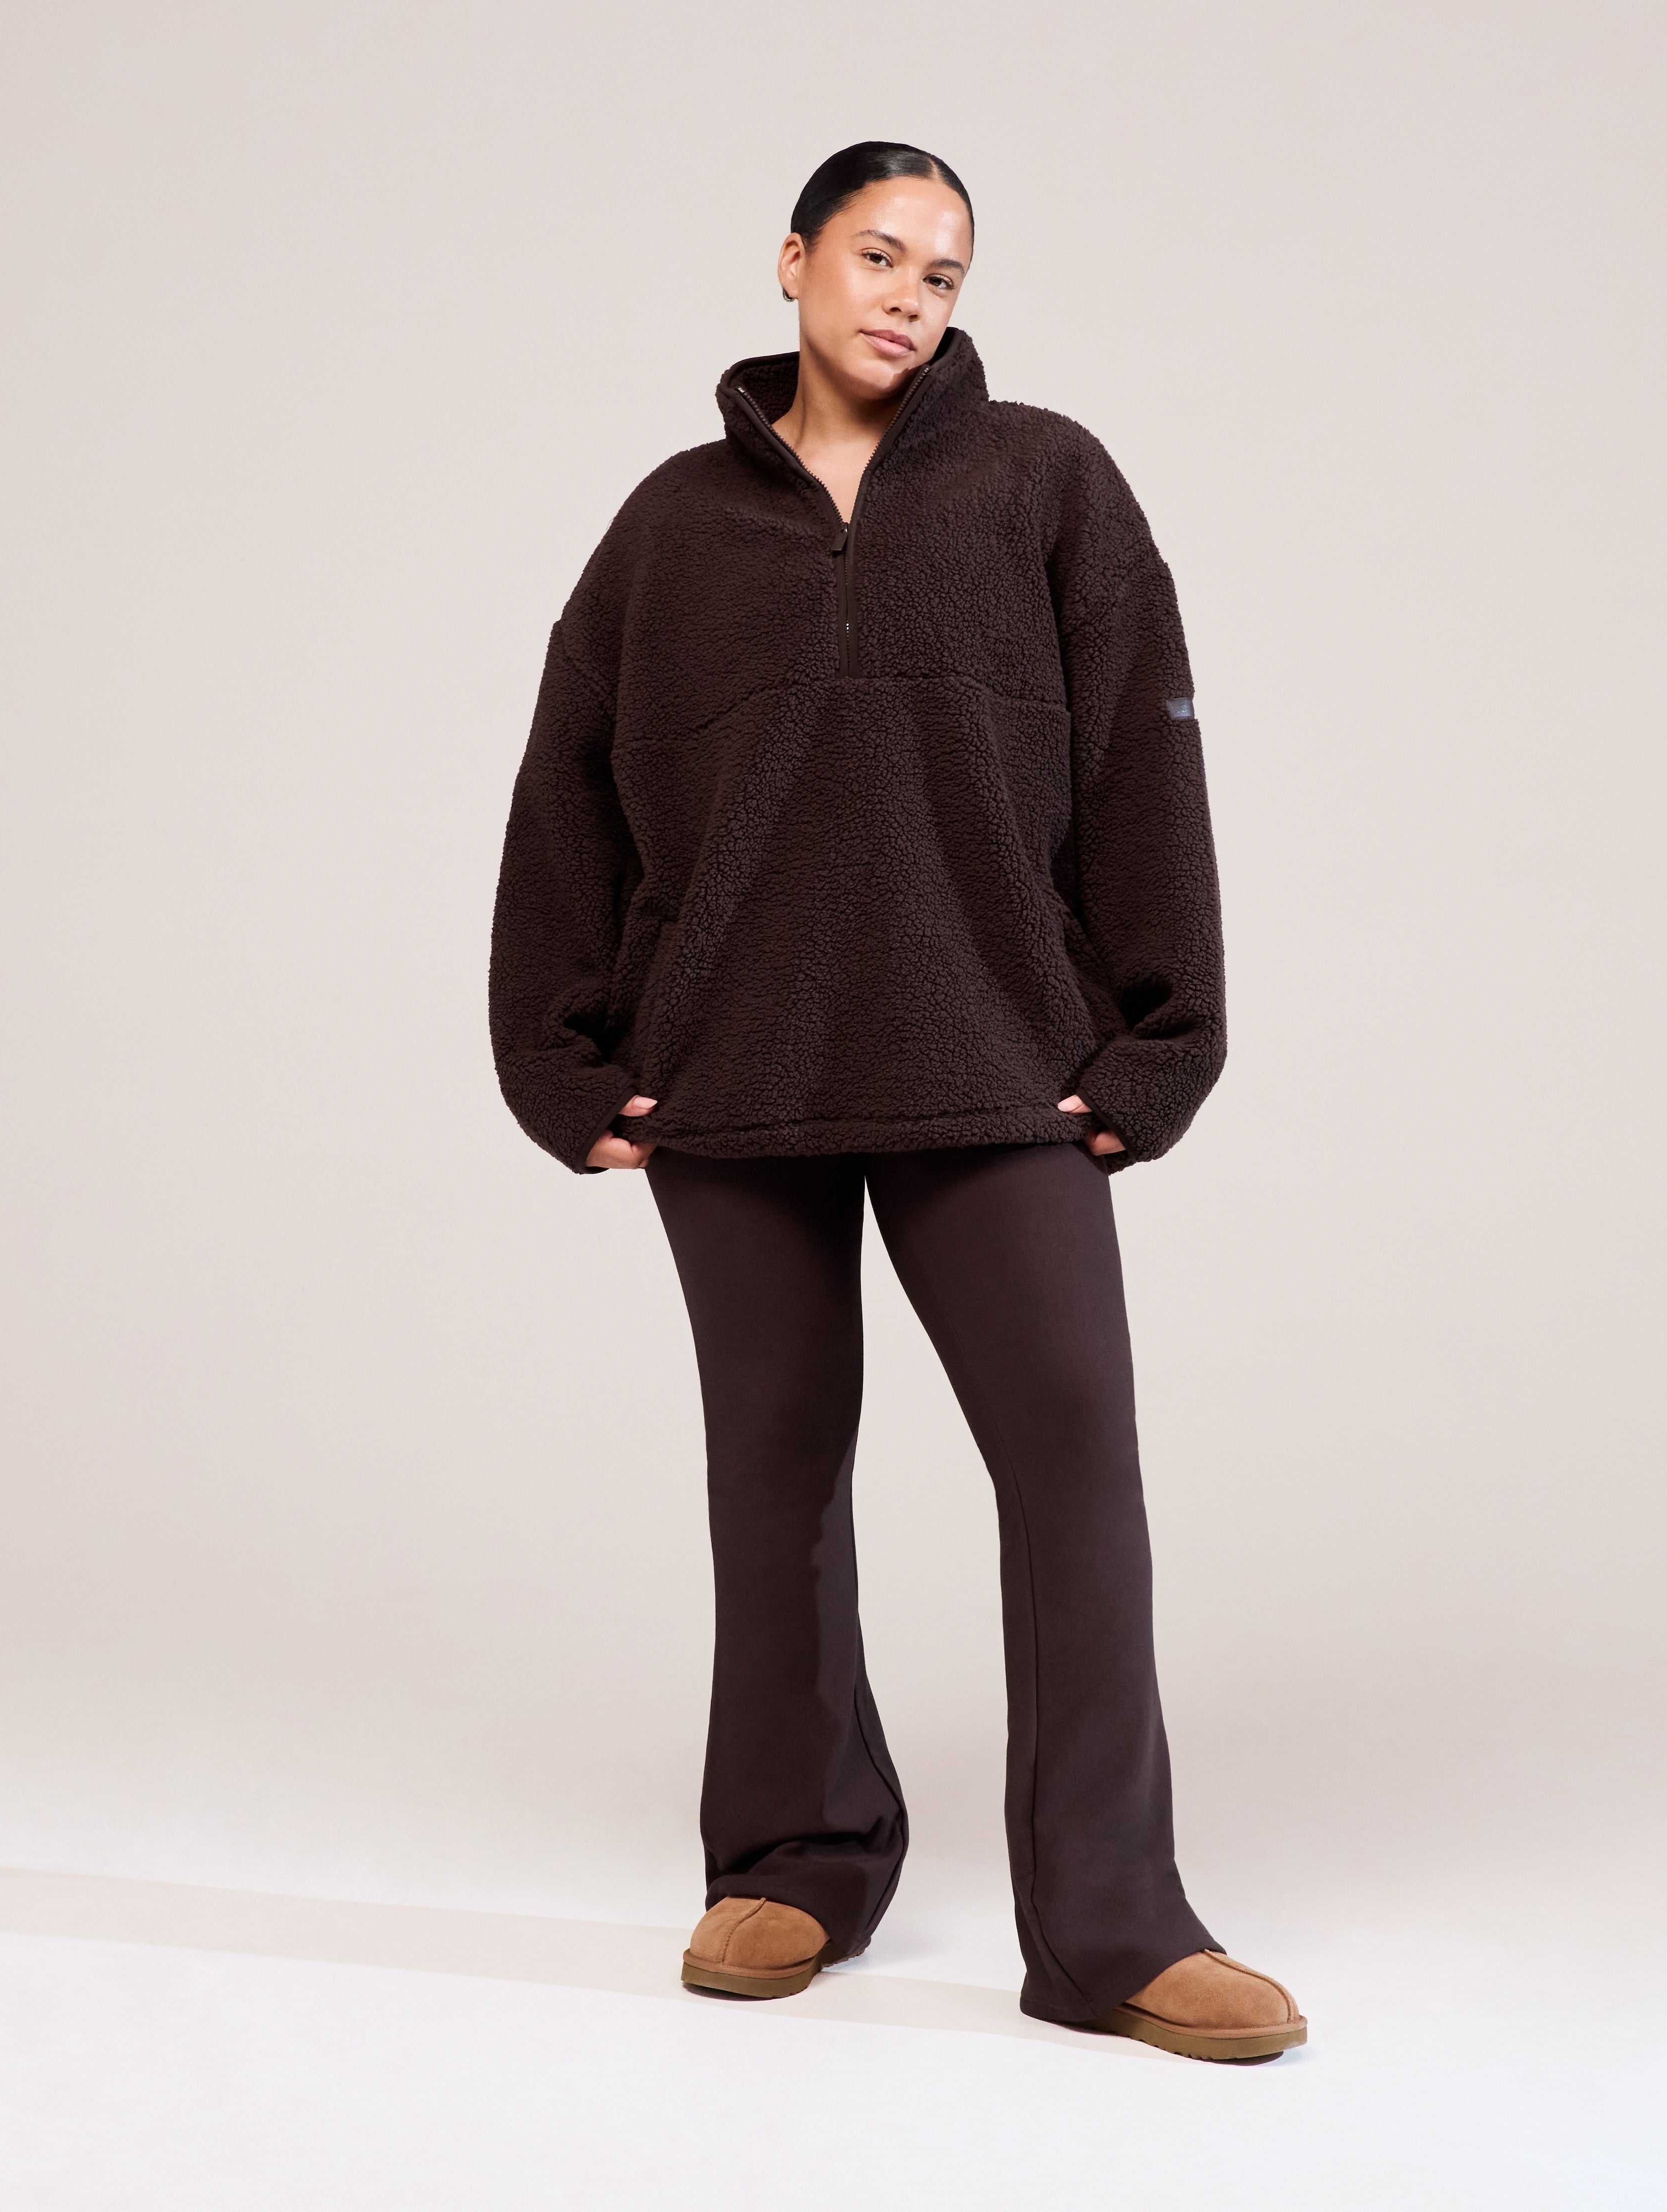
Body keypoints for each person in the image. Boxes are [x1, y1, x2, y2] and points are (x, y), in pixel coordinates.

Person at [489, 141, 1305, 2062]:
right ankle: (794, 1854)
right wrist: (556, 1054)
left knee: (1073, 1465)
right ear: (791, 262)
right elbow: (566, 788)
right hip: (734, 1066)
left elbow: (1145, 760)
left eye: (942, 273)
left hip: (992, 1059)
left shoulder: (1045, 482)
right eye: (878, 256)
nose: (909, 299)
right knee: (773, 1473)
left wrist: (1162, 1039)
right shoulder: (671, 524)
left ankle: (1112, 1920)